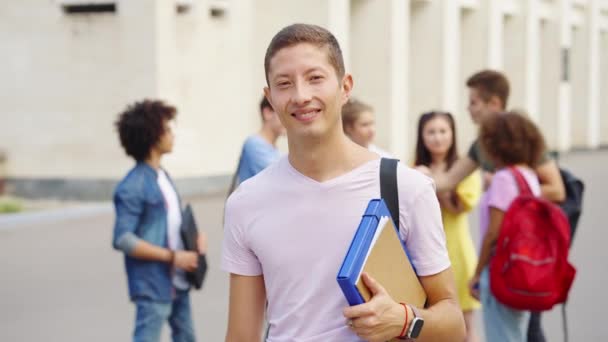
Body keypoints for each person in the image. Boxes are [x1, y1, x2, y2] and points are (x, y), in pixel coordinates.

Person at [221, 23, 465, 341]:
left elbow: (453, 324)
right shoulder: (246, 202)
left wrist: (404, 320)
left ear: (345, 87)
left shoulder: (405, 188)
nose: (301, 95)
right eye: (284, 83)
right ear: (270, 99)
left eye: (315, 78)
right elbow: (241, 336)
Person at [419, 70, 565, 342]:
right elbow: (448, 180)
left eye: (474, 102)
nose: (468, 108)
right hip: (508, 255)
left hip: (518, 254)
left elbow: (556, 189)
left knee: (520, 329)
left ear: (494, 104)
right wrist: (415, 178)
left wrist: (508, 189)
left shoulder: (520, 141)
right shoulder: (481, 146)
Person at [112, 100, 207, 342]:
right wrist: (173, 257)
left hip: (178, 278)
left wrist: (193, 242)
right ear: (153, 136)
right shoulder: (132, 186)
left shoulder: (162, 176)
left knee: (186, 337)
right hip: (153, 284)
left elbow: (172, 224)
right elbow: (123, 239)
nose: (172, 135)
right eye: (167, 129)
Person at [469, 111, 547, 342]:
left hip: (499, 270)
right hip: (521, 268)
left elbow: (494, 232)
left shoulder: (503, 178)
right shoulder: (528, 175)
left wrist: (476, 273)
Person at [413, 111, 482, 342]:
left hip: (458, 254)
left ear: (453, 134)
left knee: (466, 325)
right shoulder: (412, 167)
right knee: (431, 326)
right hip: (422, 254)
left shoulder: (465, 167)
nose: (437, 137)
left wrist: (434, 181)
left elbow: (459, 207)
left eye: (443, 131)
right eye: (431, 132)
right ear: (421, 136)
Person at [228, 96, 285, 194]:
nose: (289, 120)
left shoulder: (273, 148)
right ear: (267, 113)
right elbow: (283, 178)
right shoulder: (254, 144)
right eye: (283, 114)